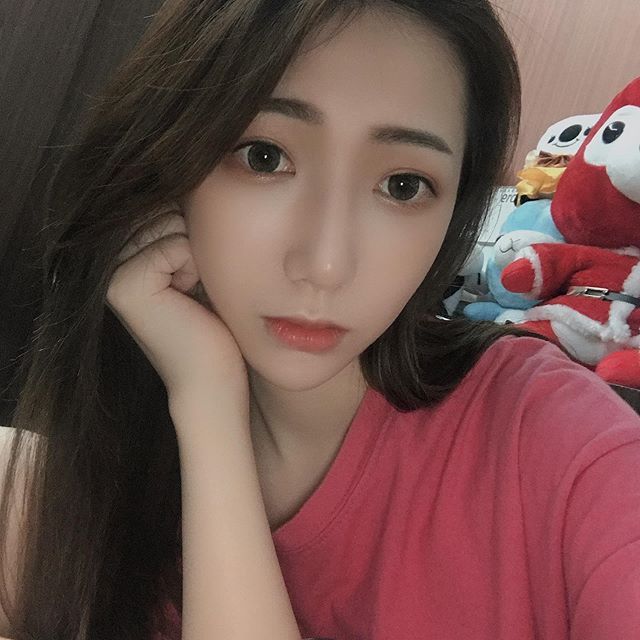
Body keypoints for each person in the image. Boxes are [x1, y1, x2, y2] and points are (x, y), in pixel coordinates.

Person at [1, 0, 639, 638]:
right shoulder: (58, 507)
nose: (327, 265)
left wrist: (208, 402)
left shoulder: (565, 448)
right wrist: (206, 398)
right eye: (264, 157)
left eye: (403, 186)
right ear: (166, 167)